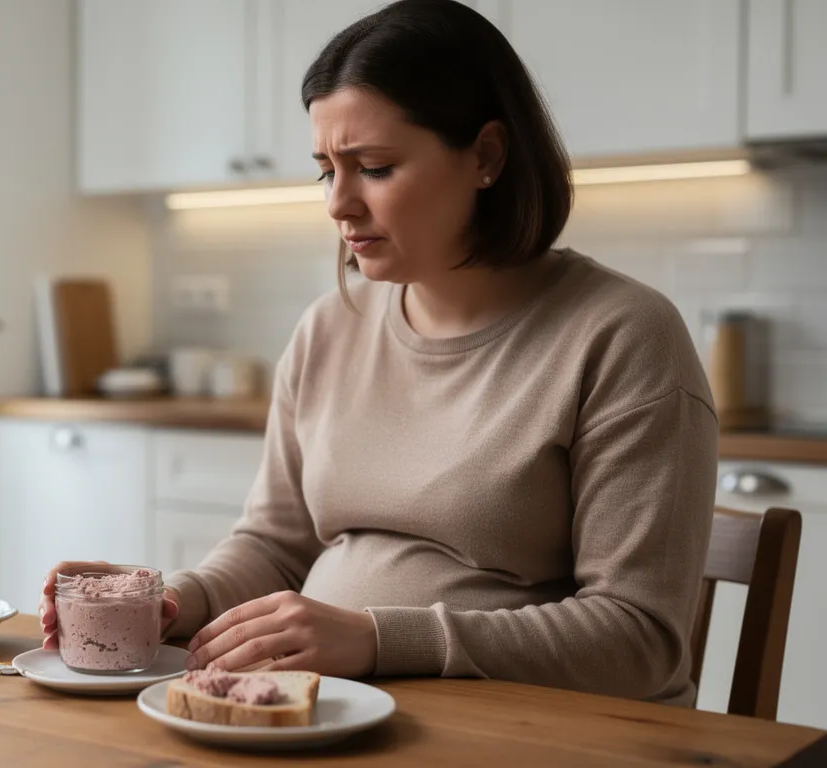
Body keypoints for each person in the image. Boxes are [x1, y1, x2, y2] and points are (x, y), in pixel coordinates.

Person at [40, 0, 717, 705]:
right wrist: (177, 602)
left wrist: (377, 640)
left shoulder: (623, 336)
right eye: (327, 170)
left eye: (374, 167)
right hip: (333, 708)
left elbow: (641, 640)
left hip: (521, 728)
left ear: (486, 155)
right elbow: (275, 546)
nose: (338, 203)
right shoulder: (329, 328)